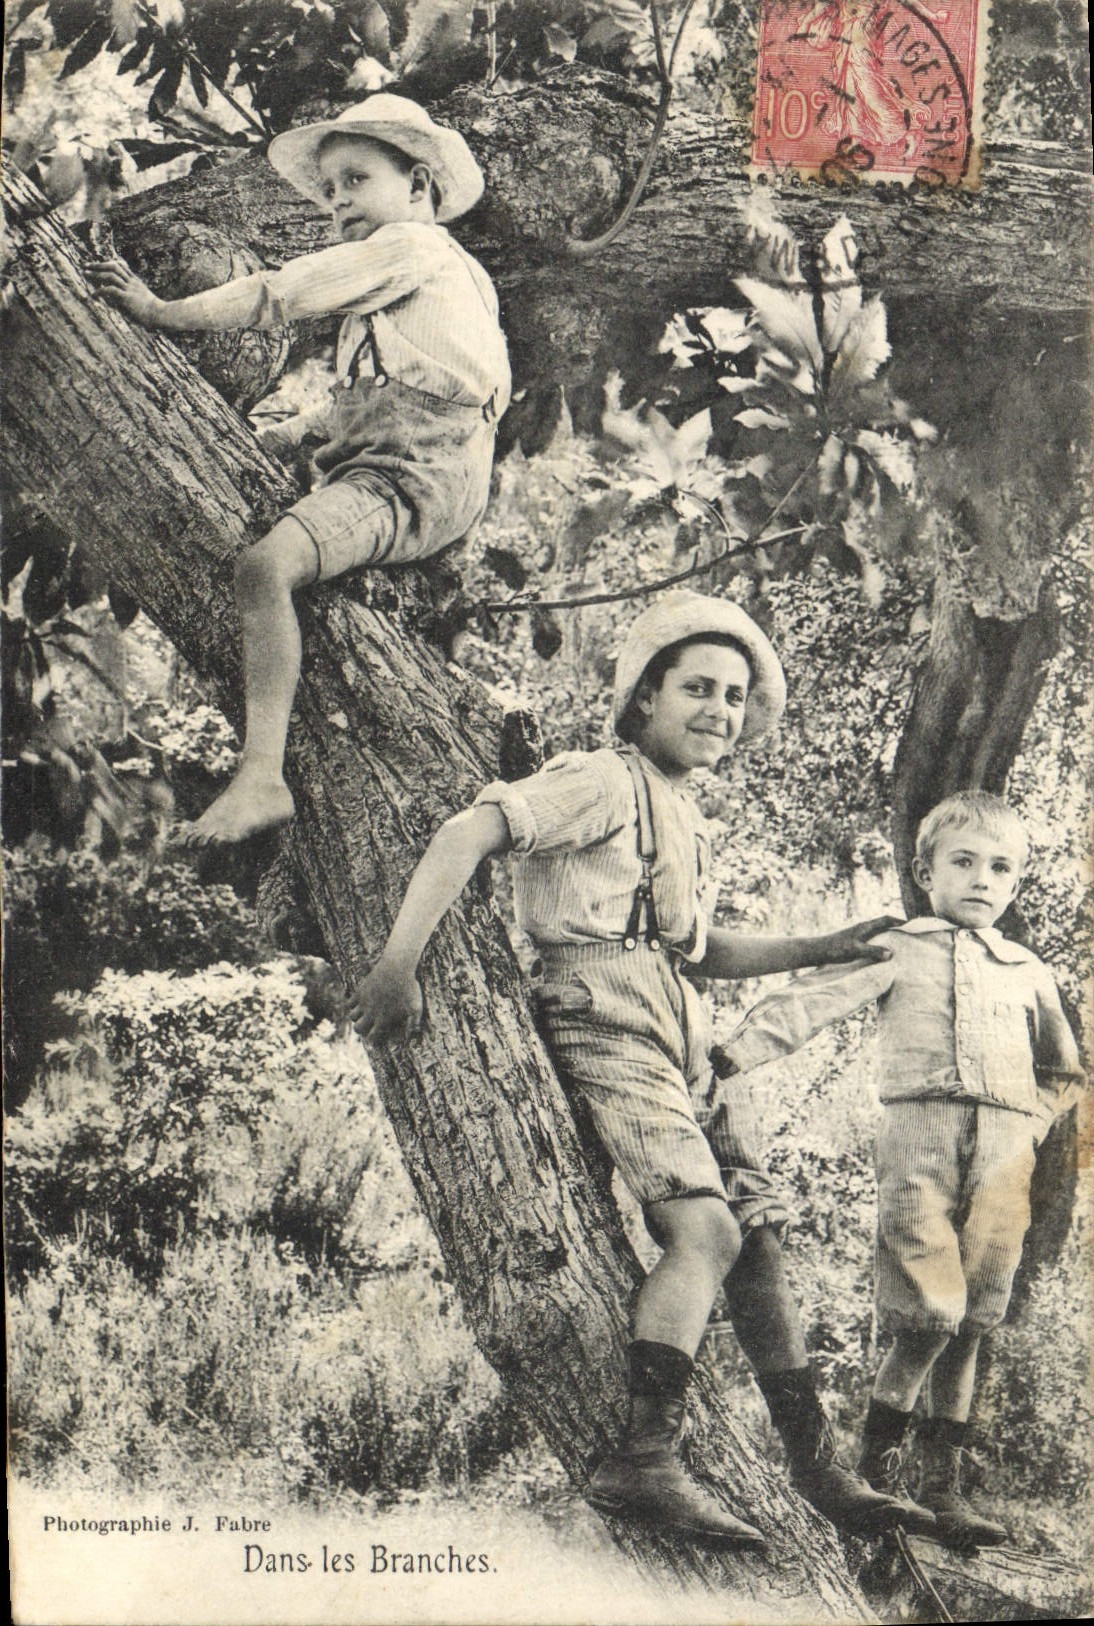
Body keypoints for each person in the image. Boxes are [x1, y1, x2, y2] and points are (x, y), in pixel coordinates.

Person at [348, 589, 913, 1543]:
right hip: (601, 1012)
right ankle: (644, 1456)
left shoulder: (684, 812)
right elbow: (468, 832)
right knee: (704, 1230)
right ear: (643, 698)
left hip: (681, 1027)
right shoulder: (600, 778)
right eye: (697, 688)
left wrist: (826, 943)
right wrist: (396, 964)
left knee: (758, 1232)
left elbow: (697, 949)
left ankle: (817, 1466)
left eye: (735, 697)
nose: (719, 712)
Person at [88, 93, 510, 847]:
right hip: (423, 465)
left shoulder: (413, 246)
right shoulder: (438, 280)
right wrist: (296, 433)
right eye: (330, 189)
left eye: (356, 178)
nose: (340, 199)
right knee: (290, 555)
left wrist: (159, 310)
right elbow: (399, 387)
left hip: (416, 474)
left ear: (418, 188)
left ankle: (261, 777)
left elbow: (277, 293)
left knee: (264, 568)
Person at [720, 790, 1085, 1548]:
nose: (982, 880)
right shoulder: (900, 946)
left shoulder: (1027, 971)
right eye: (964, 863)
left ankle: (941, 1491)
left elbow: (1065, 1070)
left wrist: (1030, 1123)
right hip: (918, 1137)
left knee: (976, 1317)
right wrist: (731, 1057)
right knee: (927, 1313)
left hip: (1005, 1152)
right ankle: (874, 1480)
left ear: (1016, 881)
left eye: (1001, 868)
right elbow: (808, 1002)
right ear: (925, 871)